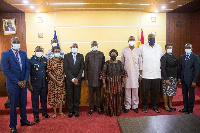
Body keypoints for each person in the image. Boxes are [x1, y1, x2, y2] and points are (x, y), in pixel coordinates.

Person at [1, 37, 34, 133]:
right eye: (14, 42)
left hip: (23, 84)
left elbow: (27, 68)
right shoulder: (5, 54)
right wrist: (17, 81)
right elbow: (5, 70)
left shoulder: (23, 54)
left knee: (23, 103)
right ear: (11, 43)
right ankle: (13, 125)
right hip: (13, 84)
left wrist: (24, 80)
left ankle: (24, 120)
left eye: (18, 42)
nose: (16, 43)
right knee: (13, 105)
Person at [139, 33, 163, 113]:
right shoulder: (142, 47)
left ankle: (154, 106)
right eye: (150, 38)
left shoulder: (159, 47)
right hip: (146, 74)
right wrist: (140, 74)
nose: (151, 39)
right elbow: (140, 61)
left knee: (155, 92)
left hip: (156, 74)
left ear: (155, 38)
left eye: (153, 37)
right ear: (147, 38)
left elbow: (161, 60)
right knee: (145, 93)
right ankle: (145, 106)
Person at [100, 49, 127, 116]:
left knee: (118, 96)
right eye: (112, 55)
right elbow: (103, 74)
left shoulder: (120, 63)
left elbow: (123, 73)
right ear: (110, 55)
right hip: (109, 84)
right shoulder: (107, 63)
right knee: (109, 97)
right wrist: (104, 83)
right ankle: (110, 112)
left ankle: (117, 111)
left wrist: (123, 82)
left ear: (117, 55)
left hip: (118, 83)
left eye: (114, 55)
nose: (113, 56)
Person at [121, 36, 142, 113]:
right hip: (127, 74)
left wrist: (140, 75)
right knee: (127, 90)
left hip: (136, 74)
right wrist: (123, 75)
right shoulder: (124, 50)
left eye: (133, 40)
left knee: (135, 90)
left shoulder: (138, 50)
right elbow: (122, 63)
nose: (132, 41)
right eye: (130, 40)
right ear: (128, 41)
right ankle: (127, 106)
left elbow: (140, 63)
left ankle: (135, 106)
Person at [28, 46, 50, 123]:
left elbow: (47, 72)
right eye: (38, 50)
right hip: (35, 84)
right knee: (35, 100)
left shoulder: (45, 59)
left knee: (44, 99)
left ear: (43, 51)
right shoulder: (31, 60)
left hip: (44, 83)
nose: (39, 52)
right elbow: (28, 73)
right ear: (35, 51)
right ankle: (36, 116)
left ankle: (44, 113)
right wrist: (29, 84)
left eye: (40, 50)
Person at [64, 43, 84, 118]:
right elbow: (66, 68)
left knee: (77, 95)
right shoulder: (66, 56)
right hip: (69, 79)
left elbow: (82, 68)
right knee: (69, 95)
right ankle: (70, 110)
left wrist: (77, 78)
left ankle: (76, 110)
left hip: (78, 79)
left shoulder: (81, 56)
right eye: (73, 47)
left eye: (76, 47)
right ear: (71, 48)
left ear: (78, 48)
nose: (74, 48)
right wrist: (72, 79)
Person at [85, 41, 105, 115]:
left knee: (99, 95)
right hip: (90, 79)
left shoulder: (101, 54)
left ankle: (99, 108)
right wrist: (86, 79)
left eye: (95, 45)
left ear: (97, 45)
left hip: (99, 79)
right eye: (93, 45)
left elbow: (103, 68)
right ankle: (91, 109)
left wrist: (103, 79)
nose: (94, 46)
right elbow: (86, 68)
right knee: (91, 96)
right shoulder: (88, 55)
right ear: (91, 46)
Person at [178, 43, 199, 114]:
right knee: (184, 94)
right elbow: (180, 68)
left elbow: (196, 70)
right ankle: (185, 108)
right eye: (186, 47)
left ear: (191, 48)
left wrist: (194, 80)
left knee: (191, 95)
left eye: (189, 47)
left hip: (191, 80)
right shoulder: (182, 57)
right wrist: (179, 78)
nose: (187, 48)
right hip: (183, 79)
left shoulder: (195, 57)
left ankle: (190, 110)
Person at [47, 46, 65, 118]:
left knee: (61, 96)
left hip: (61, 81)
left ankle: (60, 111)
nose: (57, 52)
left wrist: (61, 80)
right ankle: (54, 112)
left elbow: (65, 71)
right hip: (53, 82)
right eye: (55, 51)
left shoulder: (62, 60)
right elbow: (49, 72)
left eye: (58, 51)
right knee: (54, 97)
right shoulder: (50, 61)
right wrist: (56, 81)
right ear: (53, 52)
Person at [161, 43, 179, 112]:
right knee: (166, 91)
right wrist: (165, 78)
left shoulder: (174, 56)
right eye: (168, 48)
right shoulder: (164, 57)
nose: (170, 49)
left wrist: (177, 77)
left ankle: (170, 104)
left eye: (171, 47)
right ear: (165, 49)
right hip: (167, 77)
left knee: (172, 91)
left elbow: (177, 66)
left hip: (174, 77)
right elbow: (163, 68)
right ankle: (166, 105)